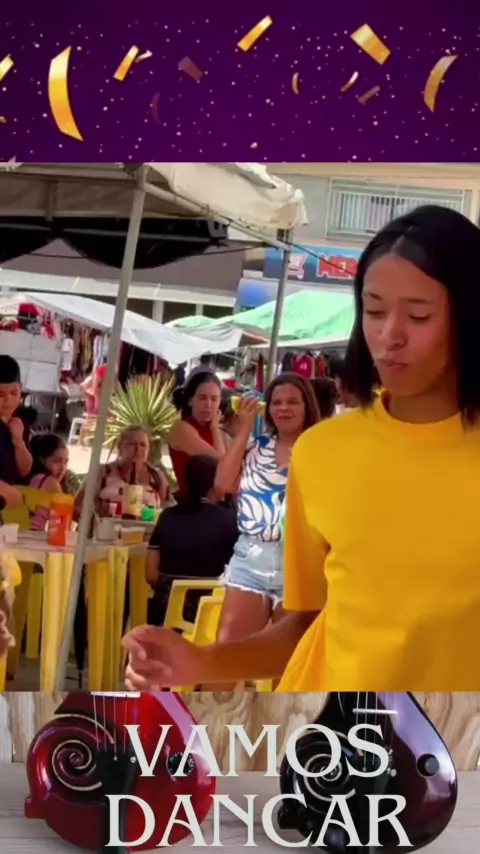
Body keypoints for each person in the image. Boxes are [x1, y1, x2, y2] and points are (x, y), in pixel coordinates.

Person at [122, 204, 480, 693]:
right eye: (374, 311)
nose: (389, 336)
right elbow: (307, 627)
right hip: (333, 727)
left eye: (419, 315)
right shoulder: (322, 453)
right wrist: (198, 663)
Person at [212, 373, 320, 647]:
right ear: (267, 408)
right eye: (276, 402)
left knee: (288, 660)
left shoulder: (321, 450)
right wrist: (244, 429)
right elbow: (223, 484)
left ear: (307, 406)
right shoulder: (256, 447)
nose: (284, 408)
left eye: (292, 402)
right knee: (230, 653)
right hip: (251, 557)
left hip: (300, 561)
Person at [146, 455, 238, 626]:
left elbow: (151, 575)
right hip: (210, 617)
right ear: (215, 484)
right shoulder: (230, 520)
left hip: (166, 614)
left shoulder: (167, 517)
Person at [74, 425, 169, 518]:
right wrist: (98, 519)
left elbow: (169, 510)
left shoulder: (157, 477)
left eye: (143, 445)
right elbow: (77, 507)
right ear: (120, 447)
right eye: (131, 444)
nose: (138, 449)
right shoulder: (102, 473)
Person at [167, 369, 225, 497]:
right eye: (202, 398)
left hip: (217, 502)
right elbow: (222, 465)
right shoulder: (181, 428)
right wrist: (215, 429)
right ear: (190, 400)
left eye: (214, 399)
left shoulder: (215, 427)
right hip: (193, 504)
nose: (208, 405)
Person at [0, 355, 32, 506]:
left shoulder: (19, 420)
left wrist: (18, 441)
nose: (8, 402)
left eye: (14, 393)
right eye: (0, 395)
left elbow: (24, 470)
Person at [28, 434, 69, 530]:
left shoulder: (33, 478)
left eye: (65, 462)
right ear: (42, 460)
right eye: (56, 461)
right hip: (33, 535)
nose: (62, 467)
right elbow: (62, 525)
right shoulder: (50, 483)